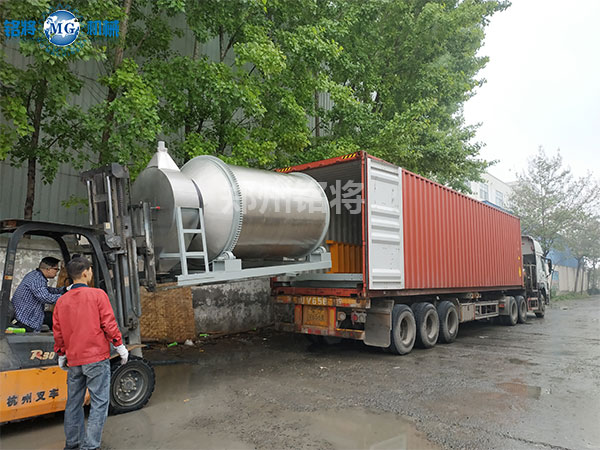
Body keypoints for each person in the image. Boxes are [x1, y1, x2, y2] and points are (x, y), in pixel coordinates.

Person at [53, 256, 129, 450]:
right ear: (86, 272)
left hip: (74, 360)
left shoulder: (61, 301)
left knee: (73, 403)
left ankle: (73, 444)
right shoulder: (98, 295)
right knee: (99, 403)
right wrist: (119, 346)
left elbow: (58, 332)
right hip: (96, 358)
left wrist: (61, 354)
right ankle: (90, 446)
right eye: (91, 270)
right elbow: (108, 323)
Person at [11, 256, 65, 332]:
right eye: (56, 269)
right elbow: (45, 297)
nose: (57, 272)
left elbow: (47, 290)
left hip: (27, 319)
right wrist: (66, 297)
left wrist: (64, 289)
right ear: (48, 269)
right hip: (25, 322)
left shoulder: (35, 275)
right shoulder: (37, 278)